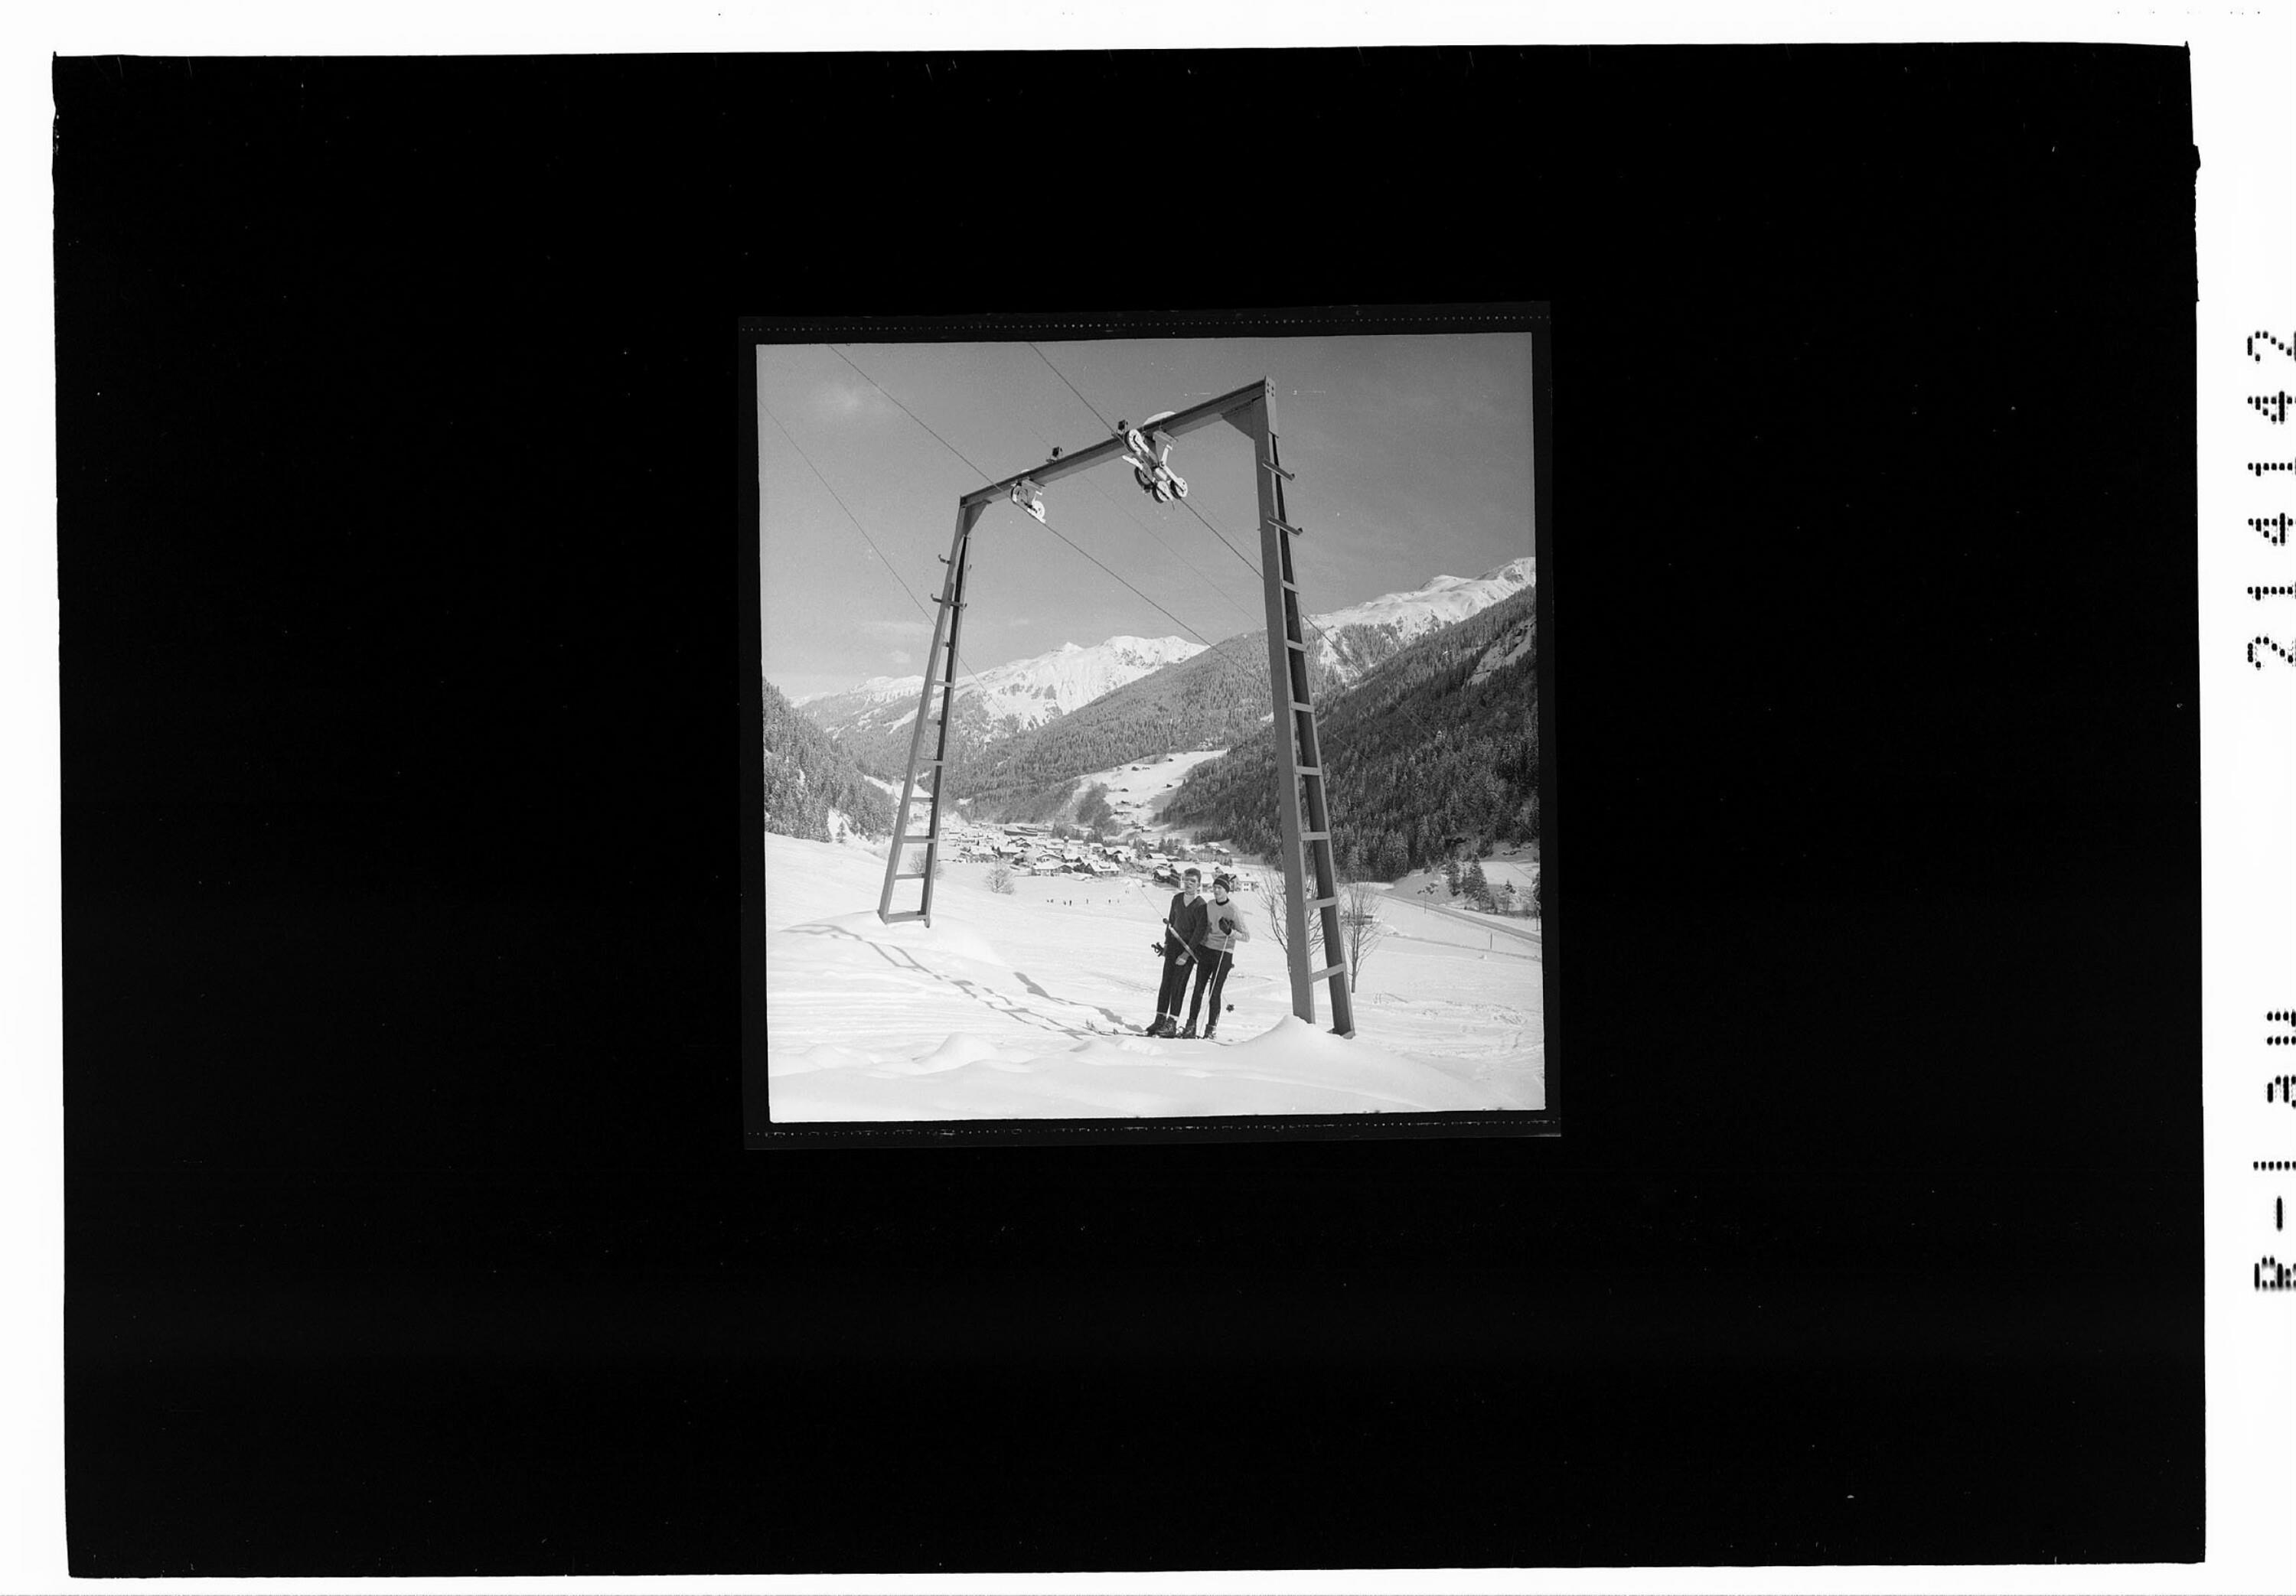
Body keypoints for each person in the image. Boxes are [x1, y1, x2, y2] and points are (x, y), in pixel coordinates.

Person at [1180, 874, 1251, 1039]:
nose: (1216, 891)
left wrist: (1230, 932)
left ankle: (1211, 1029)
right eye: (1214, 888)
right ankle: (1191, 1026)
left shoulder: (1233, 910)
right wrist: (1199, 945)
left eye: (1220, 888)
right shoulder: (1210, 905)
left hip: (1224, 952)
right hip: (1207, 950)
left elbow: (1246, 936)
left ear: (1226, 890)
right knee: (1198, 989)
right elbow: (1205, 927)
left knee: (1214, 992)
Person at [1146, 868, 1208, 1037]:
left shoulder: (1201, 905)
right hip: (1173, 945)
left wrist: (1186, 954)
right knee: (1166, 983)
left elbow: (1199, 933)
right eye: (1187, 880)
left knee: (1178, 986)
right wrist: (1167, 944)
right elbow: (1171, 923)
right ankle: (1160, 1019)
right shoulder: (1177, 899)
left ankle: (1172, 1023)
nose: (1189, 884)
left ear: (1199, 884)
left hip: (1187, 949)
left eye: (1193, 881)